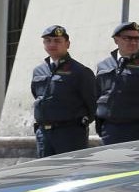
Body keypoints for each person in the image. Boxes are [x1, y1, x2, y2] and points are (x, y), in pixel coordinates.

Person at [30, 24, 96, 158]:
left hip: (69, 134)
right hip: (44, 134)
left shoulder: (80, 71)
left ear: (67, 44)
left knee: (70, 174)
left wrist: (78, 125)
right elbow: (37, 95)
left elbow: (92, 104)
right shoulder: (38, 71)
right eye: (48, 41)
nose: (52, 44)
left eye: (57, 41)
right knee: (46, 174)